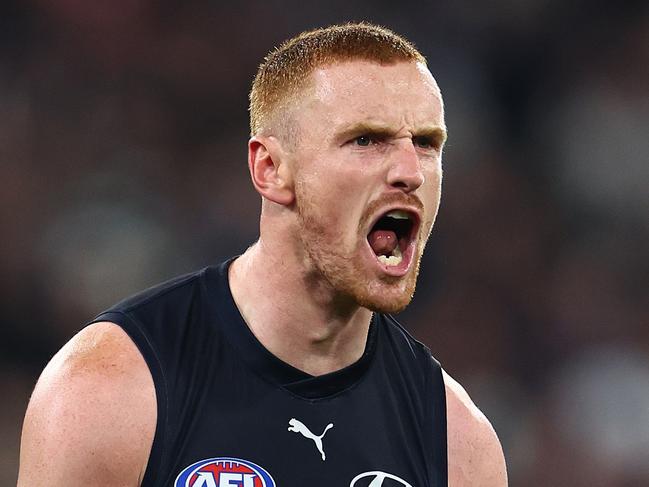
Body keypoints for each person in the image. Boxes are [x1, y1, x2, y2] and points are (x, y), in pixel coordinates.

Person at [18, 23, 507, 487]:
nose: (410, 172)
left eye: (426, 143)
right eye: (366, 140)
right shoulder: (111, 388)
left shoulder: (458, 444)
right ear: (270, 168)